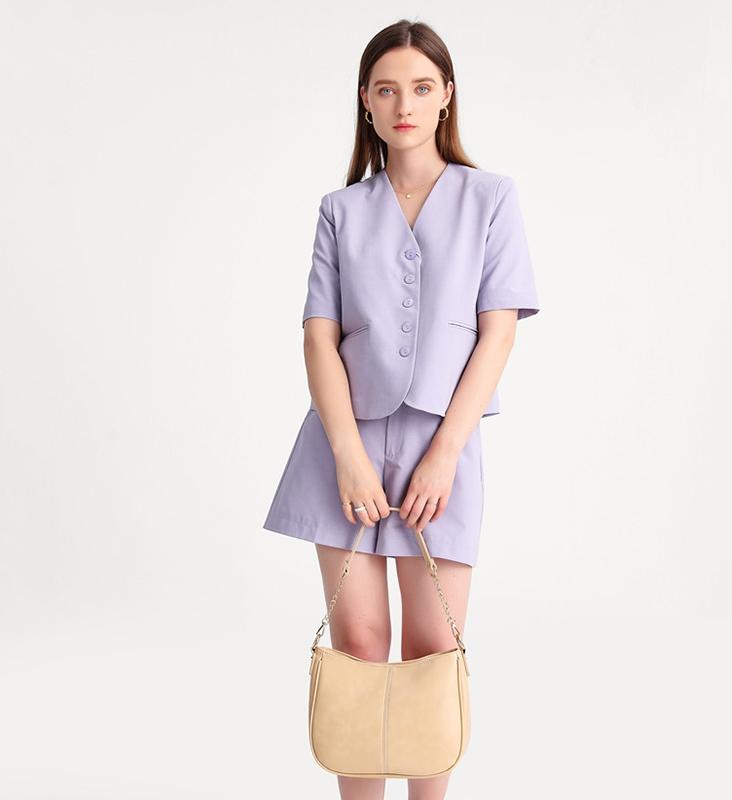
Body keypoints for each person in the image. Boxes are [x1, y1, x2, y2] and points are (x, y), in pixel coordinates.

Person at [263, 18, 540, 800]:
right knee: (358, 643)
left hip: (440, 448)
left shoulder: (490, 199)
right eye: (387, 90)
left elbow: (498, 333)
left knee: (432, 649)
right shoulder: (341, 210)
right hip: (343, 446)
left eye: (421, 87)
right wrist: (347, 454)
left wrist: (446, 453)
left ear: (447, 95)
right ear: (366, 102)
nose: (405, 104)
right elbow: (319, 337)